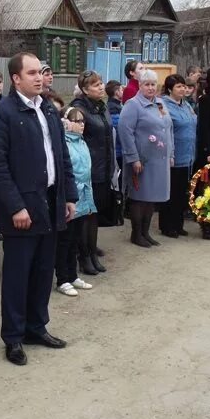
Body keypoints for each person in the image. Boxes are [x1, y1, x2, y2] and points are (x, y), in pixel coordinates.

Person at [0, 52, 78, 366]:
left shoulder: (48, 109)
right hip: (22, 210)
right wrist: (15, 207)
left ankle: (36, 327)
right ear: (16, 78)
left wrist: (69, 196)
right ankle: (13, 337)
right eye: (33, 73)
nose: (40, 77)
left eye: (41, 72)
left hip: (50, 203)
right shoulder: (2, 113)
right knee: (17, 275)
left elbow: (61, 155)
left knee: (42, 272)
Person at [119, 69, 174, 248]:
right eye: (147, 84)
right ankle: (136, 233)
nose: (151, 88)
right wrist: (133, 158)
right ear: (140, 85)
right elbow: (125, 132)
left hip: (160, 159)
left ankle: (146, 232)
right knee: (140, 197)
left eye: (153, 84)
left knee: (152, 197)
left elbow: (169, 129)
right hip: (143, 160)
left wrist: (171, 153)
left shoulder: (160, 103)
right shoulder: (132, 105)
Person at [69, 71, 114, 273]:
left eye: (101, 83)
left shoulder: (101, 107)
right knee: (85, 215)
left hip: (103, 168)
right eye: (95, 85)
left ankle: (92, 252)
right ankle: (83, 256)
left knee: (94, 214)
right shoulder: (79, 110)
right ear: (85, 90)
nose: (101, 87)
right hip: (86, 171)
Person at [54, 107, 96, 295]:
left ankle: (72, 275)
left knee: (75, 239)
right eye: (76, 121)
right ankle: (62, 278)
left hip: (84, 196)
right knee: (64, 240)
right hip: (70, 198)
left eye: (83, 121)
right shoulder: (64, 143)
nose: (81, 124)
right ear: (66, 121)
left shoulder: (82, 142)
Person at [159, 74, 196, 236]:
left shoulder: (186, 105)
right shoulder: (163, 105)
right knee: (172, 193)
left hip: (188, 155)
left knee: (182, 193)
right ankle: (167, 226)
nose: (183, 89)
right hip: (173, 156)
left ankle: (178, 224)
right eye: (179, 87)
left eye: (184, 86)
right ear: (169, 89)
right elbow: (164, 131)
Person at [105, 80, 124, 184]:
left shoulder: (116, 106)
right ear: (117, 92)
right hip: (118, 152)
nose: (123, 91)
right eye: (121, 89)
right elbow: (119, 131)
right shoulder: (113, 109)